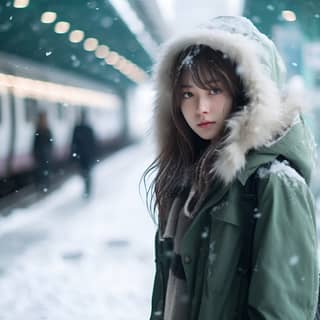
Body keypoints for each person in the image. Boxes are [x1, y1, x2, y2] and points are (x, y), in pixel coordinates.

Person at [143, 16, 319, 319]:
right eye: (188, 94)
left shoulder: (274, 183)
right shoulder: (188, 183)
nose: (201, 109)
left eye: (214, 90)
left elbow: (279, 312)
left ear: (246, 93)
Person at [71, 110, 97, 198]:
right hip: (85, 155)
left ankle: (87, 189)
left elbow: (73, 143)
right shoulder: (87, 129)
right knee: (86, 173)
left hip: (82, 156)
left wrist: (73, 156)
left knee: (85, 173)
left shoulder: (77, 129)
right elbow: (93, 143)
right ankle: (87, 189)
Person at [33, 111, 54, 192]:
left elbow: (35, 144)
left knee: (41, 171)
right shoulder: (46, 130)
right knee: (44, 171)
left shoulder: (40, 130)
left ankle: (43, 186)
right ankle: (44, 186)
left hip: (42, 156)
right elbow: (50, 143)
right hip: (44, 156)